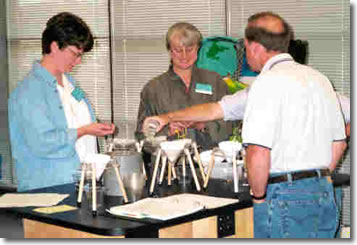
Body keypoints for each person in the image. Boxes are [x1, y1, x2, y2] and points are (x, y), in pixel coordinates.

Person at [143, 12, 347, 238]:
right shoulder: (320, 80)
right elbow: (338, 142)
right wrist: (168, 117)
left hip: (282, 198)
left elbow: (258, 151)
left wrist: (258, 198)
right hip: (322, 192)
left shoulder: (265, 84)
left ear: (255, 47)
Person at [8, 12, 115, 192]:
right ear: (55, 46)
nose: (79, 61)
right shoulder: (28, 93)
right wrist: (84, 131)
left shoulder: (71, 84)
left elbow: (80, 119)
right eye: (75, 53)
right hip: (48, 190)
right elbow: (43, 142)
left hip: (82, 185)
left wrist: (95, 127)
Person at [136, 22, 234, 150]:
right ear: (170, 51)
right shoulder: (153, 88)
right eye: (178, 50)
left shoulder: (215, 81)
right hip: (169, 165)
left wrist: (203, 125)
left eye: (189, 49)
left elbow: (232, 123)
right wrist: (166, 132)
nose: (184, 56)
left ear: (198, 49)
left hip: (210, 162)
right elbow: (141, 136)